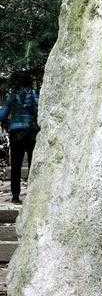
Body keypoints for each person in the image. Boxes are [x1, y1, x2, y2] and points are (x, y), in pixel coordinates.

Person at [0, 71, 39, 204]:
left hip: (16, 134)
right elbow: (38, 111)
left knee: (16, 166)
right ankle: (33, 194)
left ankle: (15, 196)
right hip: (31, 133)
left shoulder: (12, 96)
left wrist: (8, 121)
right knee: (33, 165)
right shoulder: (34, 95)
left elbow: (2, 115)